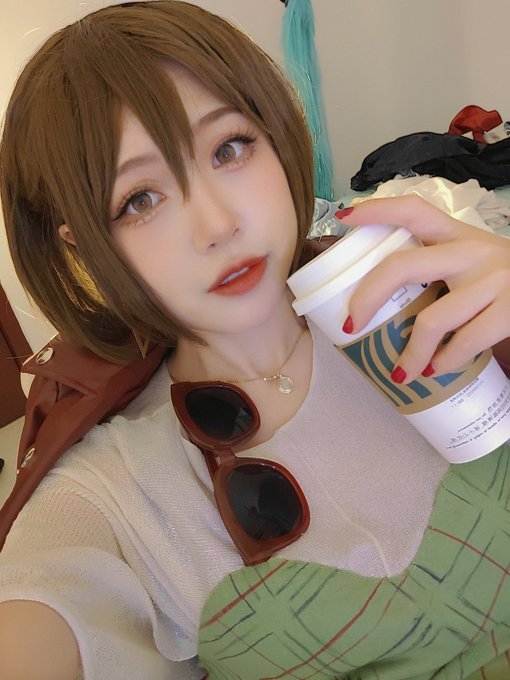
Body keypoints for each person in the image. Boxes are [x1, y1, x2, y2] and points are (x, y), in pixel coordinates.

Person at [0, 2, 509, 679]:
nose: (217, 225)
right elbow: (41, 604)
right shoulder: (118, 490)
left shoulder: (421, 299)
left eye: (229, 148)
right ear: (84, 245)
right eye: (140, 199)